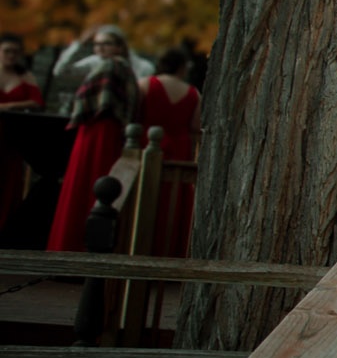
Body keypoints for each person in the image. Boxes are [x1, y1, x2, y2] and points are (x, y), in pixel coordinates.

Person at [47, 25, 138, 252]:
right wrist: (78, 43)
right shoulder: (103, 64)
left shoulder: (115, 65)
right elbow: (62, 72)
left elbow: (113, 103)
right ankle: (70, 246)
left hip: (101, 130)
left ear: (119, 46)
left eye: (106, 43)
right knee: (83, 184)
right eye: (97, 44)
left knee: (91, 184)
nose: (100, 48)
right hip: (95, 129)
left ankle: (75, 246)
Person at [142, 46, 203, 255]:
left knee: (146, 192)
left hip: (147, 142)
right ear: (182, 68)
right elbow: (196, 126)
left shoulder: (145, 85)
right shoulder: (193, 93)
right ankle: (168, 249)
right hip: (179, 147)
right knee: (173, 199)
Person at [0, 34, 42, 109]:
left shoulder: (25, 75)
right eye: (7, 51)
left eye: (15, 52)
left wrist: (8, 106)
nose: (11, 55)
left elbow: (37, 102)